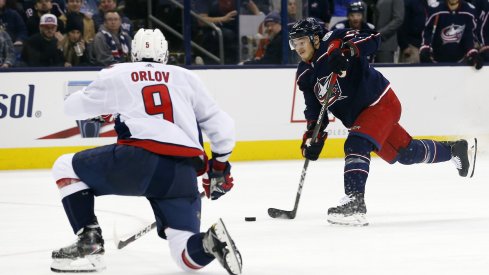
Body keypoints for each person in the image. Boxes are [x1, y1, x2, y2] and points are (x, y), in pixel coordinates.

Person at [50, 28, 243, 274]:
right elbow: (222, 127)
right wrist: (219, 168)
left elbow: (72, 108)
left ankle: (90, 241)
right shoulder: (186, 77)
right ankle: (208, 243)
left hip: (138, 160)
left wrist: (108, 109)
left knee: (65, 166)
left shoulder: (118, 73)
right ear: (165, 55)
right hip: (182, 172)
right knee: (184, 257)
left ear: (133, 54)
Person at [288, 18, 478, 226]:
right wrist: (313, 135)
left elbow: (374, 38)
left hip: (380, 103)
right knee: (405, 153)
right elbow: (314, 108)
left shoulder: (337, 39)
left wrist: (346, 51)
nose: (298, 48)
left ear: (315, 39)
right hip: (361, 118)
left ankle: (355, 203)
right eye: (294, 44)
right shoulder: (305, 73)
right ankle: (454, 150)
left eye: (301, 42)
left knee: (355, 144)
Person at [420, 0, 482, 69]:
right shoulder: (435, 9)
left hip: (461, 61)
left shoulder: (469, 11)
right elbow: (427, 31)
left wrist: (472, 53)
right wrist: (425, 48)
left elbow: (470, 35)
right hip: (436, 61)